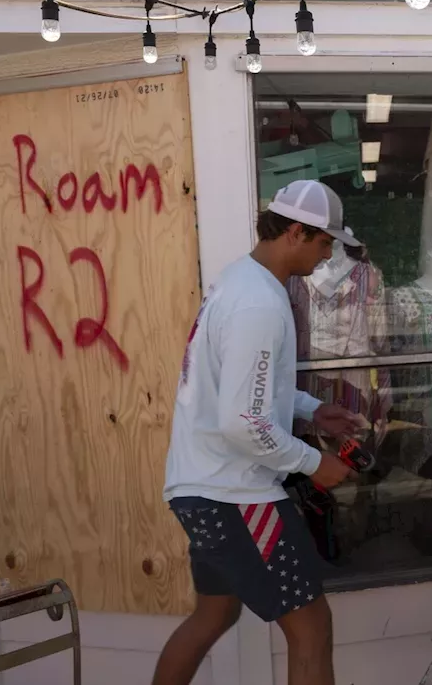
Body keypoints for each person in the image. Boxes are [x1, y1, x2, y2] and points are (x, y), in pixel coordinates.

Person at [154, 180, 366, 685]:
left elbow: (244, 391)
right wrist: (316, 465)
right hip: (236, 494)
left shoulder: (238, 282)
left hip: (203, 486)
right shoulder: (259, 303)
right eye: (324, 241)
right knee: (311, 629)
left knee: (214, 615)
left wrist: (314, 411)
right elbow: (243, 421)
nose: (328, 252)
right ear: (295, 232)